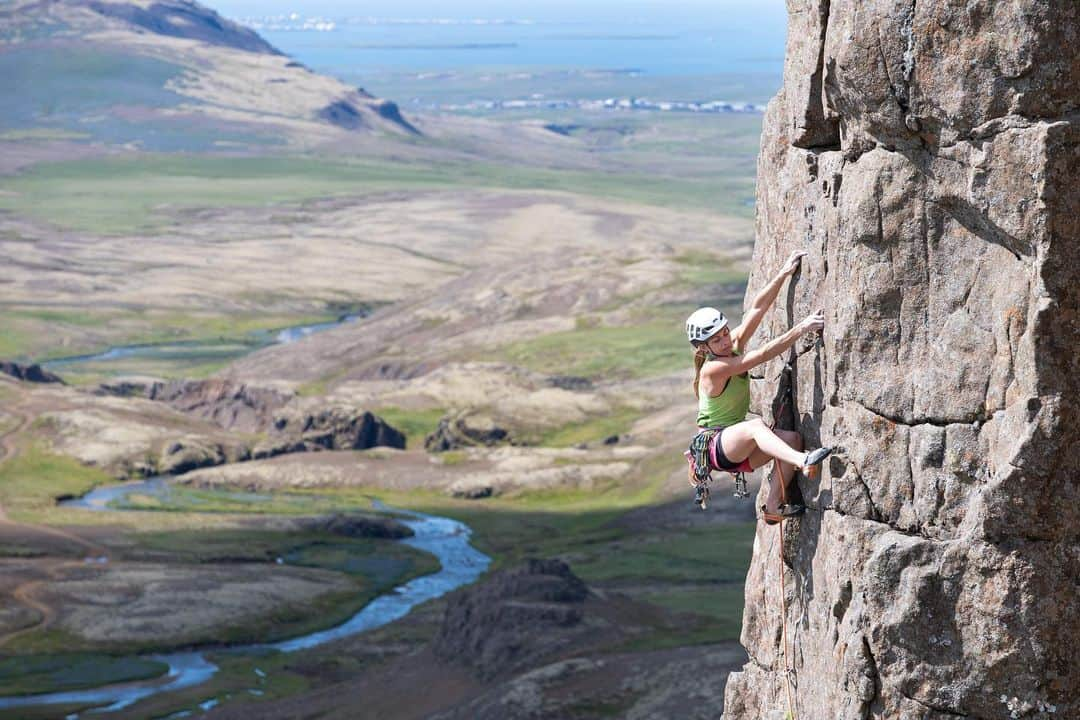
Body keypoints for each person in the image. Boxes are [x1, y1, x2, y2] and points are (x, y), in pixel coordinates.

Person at [685, 250, 831, 521]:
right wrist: (801, 329)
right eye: (717, 341)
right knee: (756, 427)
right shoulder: (714, 368)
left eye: (725, 333)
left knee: (792, 440)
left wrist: (784, 272)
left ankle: (774, 506)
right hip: (718, 445)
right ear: (704, 348)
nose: (726, 341)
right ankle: (803, 462)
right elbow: (761, 355)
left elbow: (757, 308)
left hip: (735, 446)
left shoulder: (730, 346)